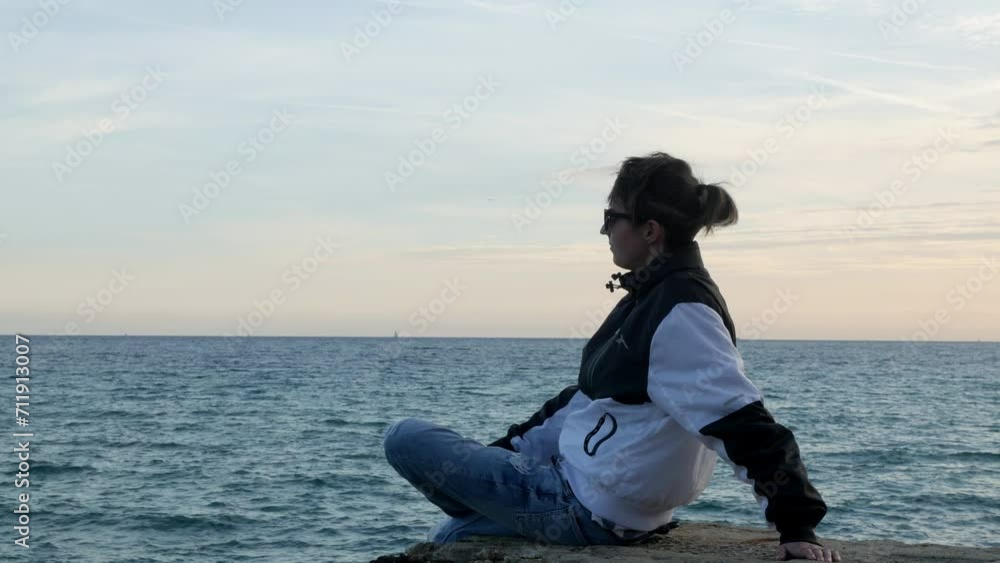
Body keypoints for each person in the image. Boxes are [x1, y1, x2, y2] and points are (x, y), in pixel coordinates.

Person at [383, 152, 841, 562]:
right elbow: (586, 400)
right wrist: (503, 456)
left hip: (586, 509)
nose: (604, 229)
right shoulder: (653, 296)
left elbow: (741, 419)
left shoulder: (681, 311)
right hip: (600, 500)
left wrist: (796, 525)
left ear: (650, 230)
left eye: (611, 217)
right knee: (452, 535)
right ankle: (476, 502)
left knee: (404, 438)